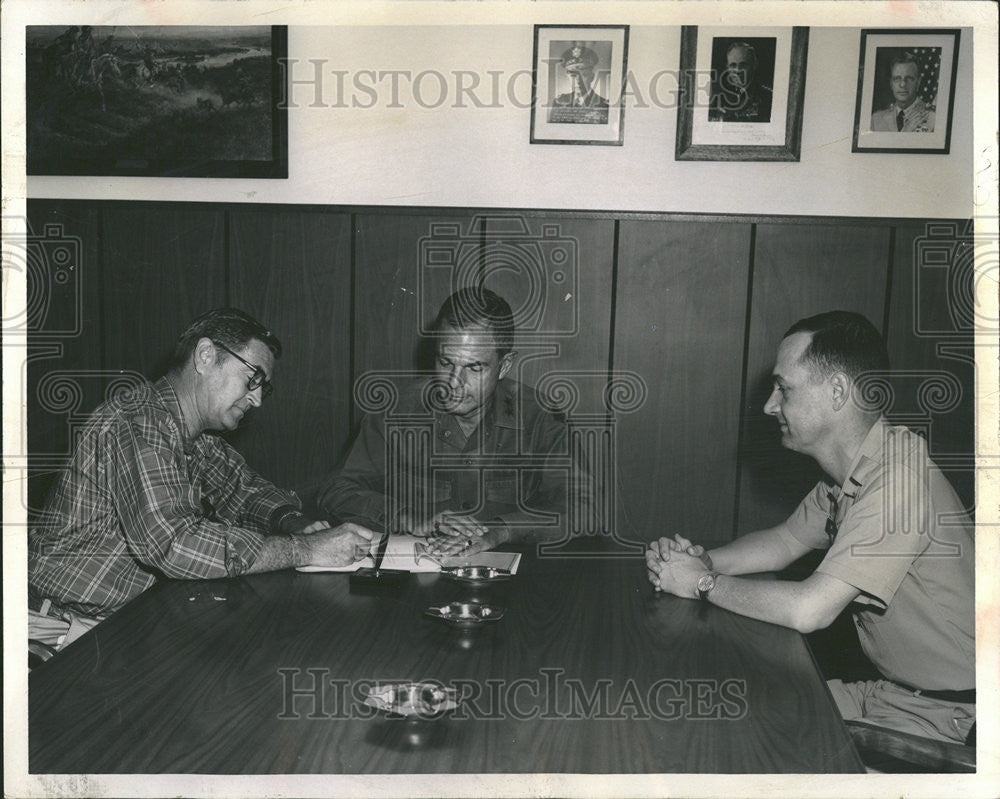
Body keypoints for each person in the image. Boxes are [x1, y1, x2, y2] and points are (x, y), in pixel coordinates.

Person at [646, 311, 974, 744]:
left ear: (837, 391)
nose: (769, 405)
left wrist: (702, 582)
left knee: (747, 744)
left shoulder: (898, 483)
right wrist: (695, 561)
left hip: (955, 718)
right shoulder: (854, 475)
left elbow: (810, 610)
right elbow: (784, 541)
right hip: (893, 695)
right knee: (729, 712)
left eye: (783, 389)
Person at [29, 308, 374, 649]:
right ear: (206, 355)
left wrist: (295, 522)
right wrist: (306, 550)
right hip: (58, 631)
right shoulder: (137, 420)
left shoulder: (196, 438)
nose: (256, 399)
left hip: (117, 621)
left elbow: (245, 490)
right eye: (253, 379)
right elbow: (175, 544)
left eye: (263, 389)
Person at [319, 287, 588, 557]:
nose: (453, 382)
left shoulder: (539, 417)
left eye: (474, 367)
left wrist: (501, 531)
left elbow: (585, 506)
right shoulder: (395, 413)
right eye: (445, 362)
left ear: (504, 366)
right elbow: (337, 490)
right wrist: (408, 519)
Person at [870, 51, 936, 133]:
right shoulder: (876, 119)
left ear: (918, 82)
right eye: (897, 79)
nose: (903, 84)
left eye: (909, 78)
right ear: (891, 83)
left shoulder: (932, 118)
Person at [709, 40, 773, 123]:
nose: (738, 70)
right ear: (727, 67)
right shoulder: (716, 98)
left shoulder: (768, 97)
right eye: (733, 65)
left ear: (754, 65)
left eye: (743, 65)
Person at [548, 42, 609, 124]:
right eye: (573, 75)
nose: (578, 80)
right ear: (567, 77)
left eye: (583, 74)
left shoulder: (604, 106)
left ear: (592, 77)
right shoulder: (558, 102)